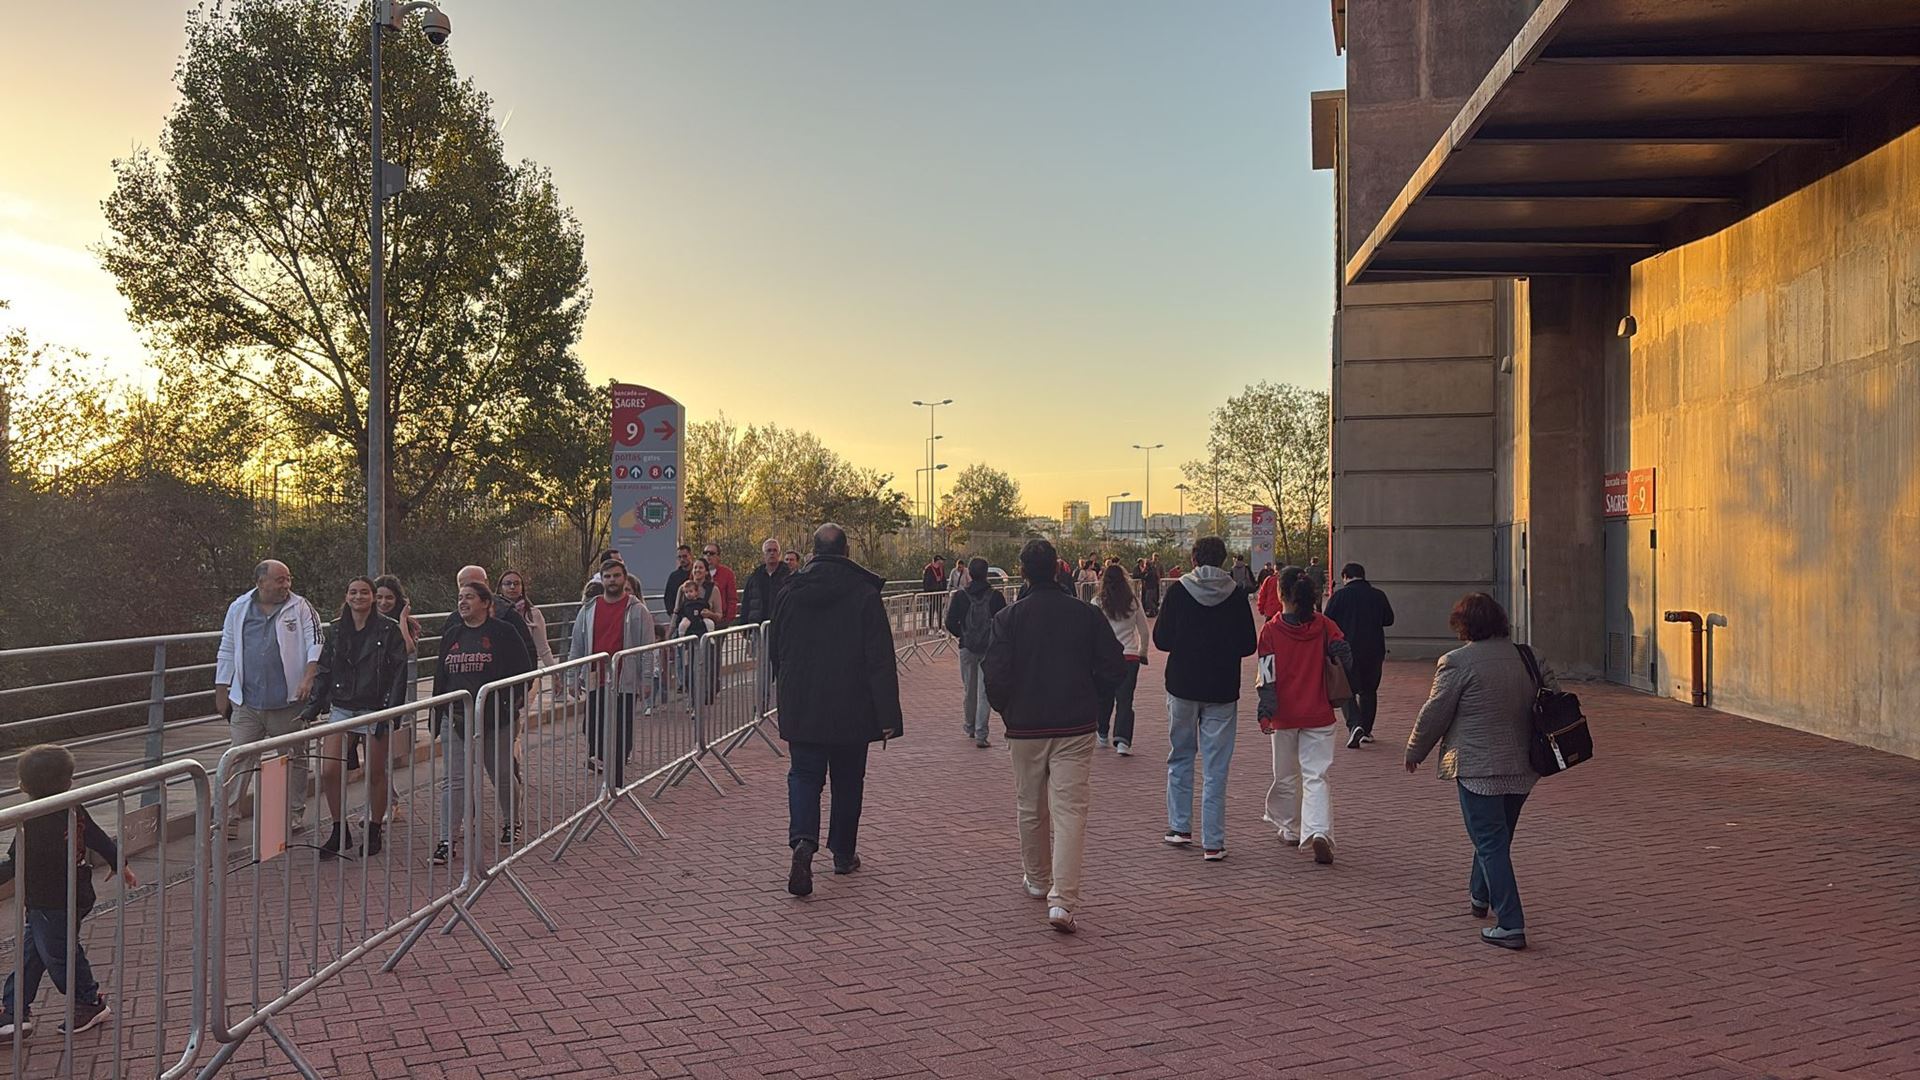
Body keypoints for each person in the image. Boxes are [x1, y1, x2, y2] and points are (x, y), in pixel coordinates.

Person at [984, 539, 1125, 934]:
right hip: (1075, 725)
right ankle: (1062, 900)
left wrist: (1007, 710)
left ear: (1023, 571)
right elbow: (1114, 667)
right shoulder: (1086, 616)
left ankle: (1037, 878)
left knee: (1030, 806)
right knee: (1070, 810)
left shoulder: (1009, 619)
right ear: (1060, 568)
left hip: (1025, 725)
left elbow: (994, 675)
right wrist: (1093, 698)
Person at [1406, 593, 1547, 951]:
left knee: (1489, 841)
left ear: (1465, 626)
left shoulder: (1458, 662)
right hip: (1524, 765)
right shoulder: (1528, 657)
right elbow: (1552, 700)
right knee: (1496, 838)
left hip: (1478, 767)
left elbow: (1434, 712)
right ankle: (1479, 896)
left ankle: (1511, 923)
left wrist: (1415, 750)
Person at [768, 524, 903, 897]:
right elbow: (879, 659)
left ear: (812, 551)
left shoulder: (790, 591)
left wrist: (788, 689)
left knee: (804, 776)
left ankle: (803, 842)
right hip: (852, 706)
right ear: (846, 551)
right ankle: (843, 853)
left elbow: (776, 649)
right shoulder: (863, 593)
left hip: (803, 705)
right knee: (847, 781)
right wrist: (888, 717)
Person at [0, 745, 134, 1038]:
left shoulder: (33, 819)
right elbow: (97, 835)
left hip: (50, 902)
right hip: (71, 895)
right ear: (68, 782)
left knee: (60, 956)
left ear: (22, 785)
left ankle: (88, 1001)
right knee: (32, 954)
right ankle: (13, 1009)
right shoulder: (72, 805)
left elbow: (15, 863)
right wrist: (118, 861)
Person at [1152, 537, 1257, 861]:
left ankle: (1180, 827)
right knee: (1216, 767)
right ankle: (1214, 842)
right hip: (1222, 688)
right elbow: (1248, 644)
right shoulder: (1236, 596)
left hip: (1182, 684)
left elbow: (1162, 639)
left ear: (1194, 557)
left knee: (1180, 757)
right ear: (1225, 560)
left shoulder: (1179, 591)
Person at [302, 576, 408, 858]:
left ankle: (374, 829)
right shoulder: (336, 630)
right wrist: (312, 707)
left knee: (375, 772)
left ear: (373, 597)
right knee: (329, 770)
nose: (358, 597)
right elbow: (325, 669)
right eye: (353, 592)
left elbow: (399, 671)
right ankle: (339, 830)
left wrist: (391, 712)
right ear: (346, 596)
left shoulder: (389, 629)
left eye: (364, 592)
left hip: (375, 706)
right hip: (343, 705)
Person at [216, 559, 323, 837]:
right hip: (247, 701)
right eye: (279, 580)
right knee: (238, 757)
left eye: (288, 579)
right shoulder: (239, 608)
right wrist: (221, 689)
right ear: (261, 582)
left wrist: (308, 677)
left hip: (288, 701)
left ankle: (293, 815)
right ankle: (228, 819)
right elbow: (227, 647)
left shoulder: (300, 607)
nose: (285, 585)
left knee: (294, 757)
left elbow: (316, 641)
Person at [430, 581, 533, 865]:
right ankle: (446, 841)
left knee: (500, 773)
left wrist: (513, 704)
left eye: (470, 597)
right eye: (460, 597)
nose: (463, 602)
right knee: (454, 780)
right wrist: (437, 718)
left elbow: (524, 671)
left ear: (487, 603)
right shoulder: (452, 634)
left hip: (494, 719)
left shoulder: (503, 633)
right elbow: (441, 677)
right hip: (456, 719)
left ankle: (512, 820)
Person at [1255, 574, 1352, 865]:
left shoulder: (1271, 631)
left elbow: (1267, 676)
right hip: (1320, 712)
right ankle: (1319, 831)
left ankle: (1291, 828)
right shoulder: (1324, 626)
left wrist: (1266, 711)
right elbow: (1345, 657)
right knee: (1316, 775)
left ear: (1281, 594)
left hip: (1284, 715)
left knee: (1285, 776)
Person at [567, 558, 657, 780]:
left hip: (624, 681)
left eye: (616, 576)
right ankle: (602, 761)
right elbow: (576, 645)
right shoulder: (588, 610)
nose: (612, 580)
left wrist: (646, 679)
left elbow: (647, 647)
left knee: (620, 732)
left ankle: (614, 780)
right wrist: (571, 676)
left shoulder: (637, 611)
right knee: (593, 729)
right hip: (595, 678)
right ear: (602, 579)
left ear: (624, 578)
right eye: (607, 576)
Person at [1324, 563, 1396, 748]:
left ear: (1345, 576)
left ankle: (1354, 724)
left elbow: (1327, 621)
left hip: (1348, 650)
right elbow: (1389, 620)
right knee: (1369, 690)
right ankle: (1367, 730)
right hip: (1374, 649)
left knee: (1346, 689)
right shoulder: (1378, 595)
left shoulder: (1339, 596)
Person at [945, 557, 1006, 748]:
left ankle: (969, 725)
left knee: (969, 689)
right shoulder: (996, 596)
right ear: (987, 573)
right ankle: (982, 733)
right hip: (988, 649)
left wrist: (962, 634)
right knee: (984, 692)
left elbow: (949, 622)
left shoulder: (961, 596)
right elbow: (1002, 623)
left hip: (967, 648)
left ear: (969, 573)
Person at [1094, 564, 1150, 756]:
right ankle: (1123, 741)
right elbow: (1144, 630)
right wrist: (1143, 652)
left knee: (1104, 697)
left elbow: (1091, 633)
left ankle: (1102, 733)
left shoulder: (1097, 602)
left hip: (1104, 658)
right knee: (1125, 700)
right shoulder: (1133, 602)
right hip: (1130, 656)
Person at [451, 565, 538, 665]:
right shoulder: (453, 623)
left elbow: (528, 653)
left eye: (474, 585)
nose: (468, 589)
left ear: (486, 583)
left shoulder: (508, 616)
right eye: (463, 585)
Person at [499, 570, 558, 670]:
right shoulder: (492, 612)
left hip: (525, 668)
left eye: (516, 583)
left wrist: (554, 672)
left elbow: (543, 648)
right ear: (500, 588)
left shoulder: (533, 614)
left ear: (522, 588)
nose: (512, 587)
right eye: (508, 583)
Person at [740, 538, 793, 626]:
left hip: (782, 625)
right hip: (758, 626)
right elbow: (746, 602)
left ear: (779, 554)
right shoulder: (754, 577)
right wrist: (744, 625)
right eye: (769, 550)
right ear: (763, 555)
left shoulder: (788, 576)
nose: (772, 553)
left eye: (775, 550)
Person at [702, 542, 739, 627]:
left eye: (711, 553)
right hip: (700, 621)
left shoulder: (727, 574)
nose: (708, 556)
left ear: (718, 557)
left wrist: (728, 619)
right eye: (705, 553)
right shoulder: (697, 572)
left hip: (720, 621)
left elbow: (732, 598)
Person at [662, 545, 693, 613]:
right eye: (679, 557)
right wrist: (671, 613)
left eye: (684, 556)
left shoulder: (696, 574)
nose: (682, 559)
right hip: (679, 614)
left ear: (691, 555)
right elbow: (668, 597)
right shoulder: (674, 576)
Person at [921, 554, 948, 629]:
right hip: (931, 593)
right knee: (931, 611)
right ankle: (931, 627)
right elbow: (925, 583)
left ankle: (939, 628)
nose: (942, 563)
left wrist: (944, 593)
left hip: (939, 592)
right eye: (940, 561)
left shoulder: (941, 568)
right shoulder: (928, 569)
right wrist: (927, 594)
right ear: (937, 561)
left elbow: (944, 580)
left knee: (939, 611)